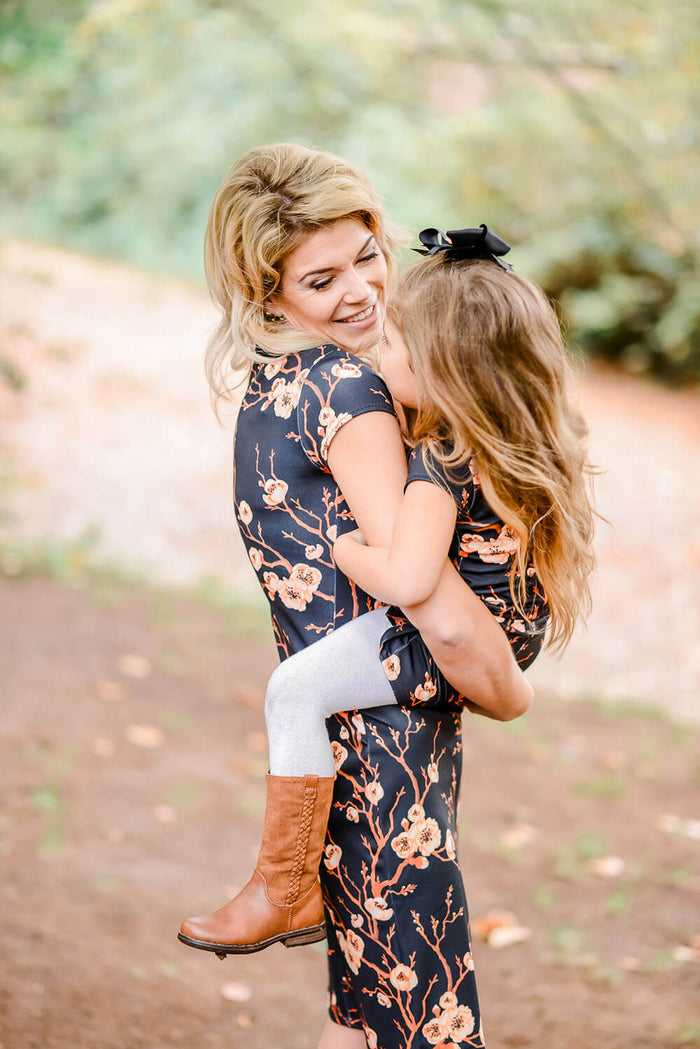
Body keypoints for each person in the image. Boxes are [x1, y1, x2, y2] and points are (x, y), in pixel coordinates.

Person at [179, 143, 537, 1049]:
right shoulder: (346, 387)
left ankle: (280, 886)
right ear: (267, 293)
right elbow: (427, 601)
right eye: (321, 278)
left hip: (369, 734)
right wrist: (504, 686)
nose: (362, 292)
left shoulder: (309, 380)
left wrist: (506, 683)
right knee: (391, 1003)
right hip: (371, 743)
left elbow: (429, 593)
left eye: (368, 255)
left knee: (398, 1007)